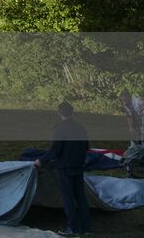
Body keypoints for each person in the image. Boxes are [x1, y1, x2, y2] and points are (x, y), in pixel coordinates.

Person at [35, 101, 91, 236]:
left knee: (68, 198)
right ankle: (86, 228)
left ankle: (73, 228)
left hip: (66, 168)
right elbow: (86, 147)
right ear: (72, 112)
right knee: (81, 197)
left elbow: (55, 149)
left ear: (59, 113)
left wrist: (40, 161)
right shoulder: (81, 128)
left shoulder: (60, 129)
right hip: (79, 166)